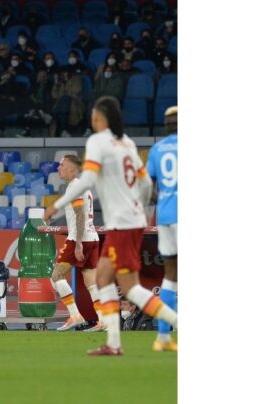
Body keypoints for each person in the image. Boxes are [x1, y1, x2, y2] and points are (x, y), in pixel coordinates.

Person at [44, 96, 177, 355]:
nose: (92, 119)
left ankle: (173, 325)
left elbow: (88, 179)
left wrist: (56, 205)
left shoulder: (98, 141)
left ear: (101, 118)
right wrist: (137, 205)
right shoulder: (127, 142)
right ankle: (113, 343)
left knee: (130, 288)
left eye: (94, 115)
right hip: (132, 220)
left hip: (123, 223)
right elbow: (147, 184)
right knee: (104, 277)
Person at [48, 156, 105, 332]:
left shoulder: (74, 187)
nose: (58, 168)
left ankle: (75, 315)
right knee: (91, 282)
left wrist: (78, 243)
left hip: (79, 239)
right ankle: (103, 320)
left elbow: (79, 215)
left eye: (62, 166)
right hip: (92, 238)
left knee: (56, 275)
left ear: (72, 170)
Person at [145, 106, 178, 352]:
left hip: (165, 215)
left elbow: (148, 186)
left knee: (170, 275)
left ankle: (163, 337)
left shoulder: (157, 149)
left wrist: (165, 196)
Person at [50, 67, 85, 137]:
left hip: (75, 104)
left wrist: (67, 83)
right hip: (62, 107)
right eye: (62, 73)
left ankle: (51, 116)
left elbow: (76, 92)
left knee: (65, 98)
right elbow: (54, 96)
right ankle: (63, 130)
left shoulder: (76, 80)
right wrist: (56, 85)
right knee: (63, 105)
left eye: (65, 73)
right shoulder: (61, 83)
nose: (63, 75)